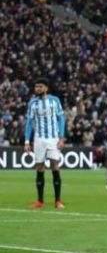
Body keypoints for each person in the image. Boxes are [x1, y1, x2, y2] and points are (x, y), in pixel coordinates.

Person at [24, 78, 66, 209]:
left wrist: (61, 137)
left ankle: (58, 201)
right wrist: (27, 141)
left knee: (55, 165)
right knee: (40, 167)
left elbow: (60, 118)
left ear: (46, 88)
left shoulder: (55, 100)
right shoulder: (33, 103)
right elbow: (29, 122)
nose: (37, 89)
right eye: (36, 87)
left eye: (40, 87)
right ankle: (40, 201)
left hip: (53, 138)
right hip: (39, 139)